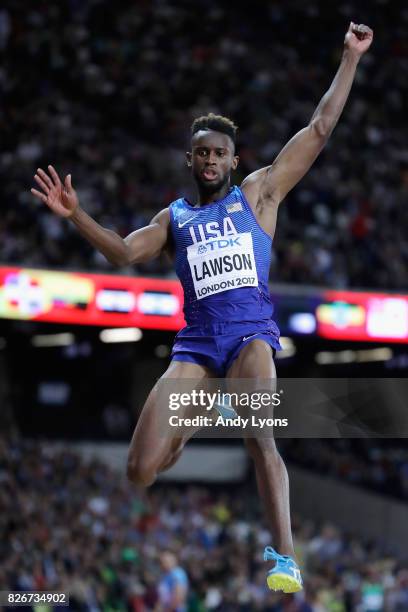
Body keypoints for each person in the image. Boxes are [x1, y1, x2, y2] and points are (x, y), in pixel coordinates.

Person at [31, 22, 373, 594]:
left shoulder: (261, 194)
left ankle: (284, 558)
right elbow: (121, 252)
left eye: (219, 153)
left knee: (261, 433)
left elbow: (320, 126)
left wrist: (350, 58)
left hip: (250, 338)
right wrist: (76, 216)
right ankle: (195, 419)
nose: (210, 160)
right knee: (140, 472)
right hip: (196, 347)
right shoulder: (173, 220)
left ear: (234, 161)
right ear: (190, 161)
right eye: (201, 154)